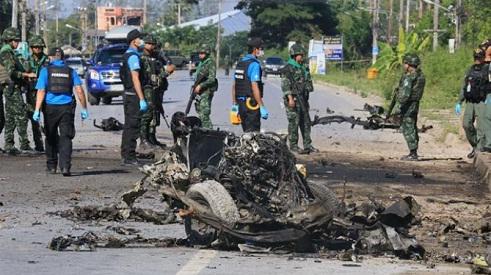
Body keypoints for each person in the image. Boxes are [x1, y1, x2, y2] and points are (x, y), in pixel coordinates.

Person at [32, 47, 88, 176]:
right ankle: (65, 167)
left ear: (51, 57)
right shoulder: (70, 71)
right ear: (62, 57)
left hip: (50, 108)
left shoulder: (46, 71)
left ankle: (52, 166)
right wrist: (84, 108)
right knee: (66, 137)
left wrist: (36, 110)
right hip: (66, 108)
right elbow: (79, 90)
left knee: (50, 136)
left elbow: (41, 91)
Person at [0, 27, 37, 155]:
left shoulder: (9, 51)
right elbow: (11, 72)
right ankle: (24, 145)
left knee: (9, 117)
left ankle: (9, 145)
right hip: (11, 87)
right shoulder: (6, 52)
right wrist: (26, 75)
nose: (17, 43)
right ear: (10, 40)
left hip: (10, 87)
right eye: (16, 40)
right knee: (22, 114)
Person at [281, 43, 318, 154]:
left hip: (303, 99)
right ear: (294, 55)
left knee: (306, 122)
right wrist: (290, 98)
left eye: (302, 54)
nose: (302, 56)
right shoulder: (288, 68)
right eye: (300, 55)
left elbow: (308, 81)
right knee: (294, 123)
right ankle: (293, 146)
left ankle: (308, 144)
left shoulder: (303, 66)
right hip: (293, 99)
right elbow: (285, 85)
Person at [120, 29, 148, 166]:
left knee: (128, 126)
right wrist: (142, 98)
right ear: (134, 41)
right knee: (133, 126)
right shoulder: (133, 57)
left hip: (128, 94)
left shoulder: (127, 55)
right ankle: (129, 156)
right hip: (133, 95)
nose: (141, 40)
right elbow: (135, 78)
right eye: (140, 38)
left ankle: (126, 154)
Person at [455, 48, 487, 158]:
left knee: (482, 128)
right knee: (466, 124)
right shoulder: (470, 69)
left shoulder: (487, 69)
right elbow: (464, 86)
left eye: (479, 57)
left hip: (482, 102)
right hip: (470, 102)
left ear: (483, 58)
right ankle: (475, 145)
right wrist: (459, 101)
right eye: (476, 57)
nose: (477, 60)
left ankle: (480, 148)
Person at [232, 37, 268, 132]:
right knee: (253, 135)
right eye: (261, 49)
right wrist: (261, 106)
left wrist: (235, 104)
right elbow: (254, 86)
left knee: (246, 133)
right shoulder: (254, 65)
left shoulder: (240, 63)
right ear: (255, 49)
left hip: (241, 104)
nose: (262, 51)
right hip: (251, 105)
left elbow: (235, 85)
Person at [395, 53, 426, 161]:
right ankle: (413, 151)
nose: (404, 66)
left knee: (408, 127)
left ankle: (413, 153)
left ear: (408, 64)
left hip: (408, 105)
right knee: (412, 126)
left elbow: (405, 95)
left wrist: (399, 104)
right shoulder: (420, 75)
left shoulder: (409, 77)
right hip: (415, 104)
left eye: (405, 63)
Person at [26, 35, 49, 152]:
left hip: (45, 92)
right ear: (31, 48)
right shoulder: (27, 60)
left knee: (49, 119)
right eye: (35, 47)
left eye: (40, 47)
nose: (37, 49)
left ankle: (51, 142)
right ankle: (39, 145)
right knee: (34, 120)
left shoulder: (47, 60)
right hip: (31, 92)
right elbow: (24, 74)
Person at [149, 43, 175, 146]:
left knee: (156, 112)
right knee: (151, 114)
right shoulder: (148, 59)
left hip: (159, 89)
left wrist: (166, 72)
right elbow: (153, 76)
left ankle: (152, 136)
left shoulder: (159, 58)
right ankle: (149, 138)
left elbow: (169, 65)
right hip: (151, 90)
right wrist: (165, 73)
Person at [139, 33, 159, 151]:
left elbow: (158, 72)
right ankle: (143, 139)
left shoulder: (154, 57)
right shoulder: (141, 57)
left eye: (152, 44)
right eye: (149, 43)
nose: (151, 46)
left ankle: (150, 138)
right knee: (146, 114)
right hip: (145, 87)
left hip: (153, 88)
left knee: (153, 114)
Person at [193, 45, 217, 129]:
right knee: (200, 112)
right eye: (199, 53)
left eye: (202, 53)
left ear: (207, 53)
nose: (200, 55)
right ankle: (203, 132)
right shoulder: (201, 63)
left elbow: (212, 79)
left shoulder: (210, 62)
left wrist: (201, 85)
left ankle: (209, 132)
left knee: (204, 114)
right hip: (199, 91)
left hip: (206, 90)